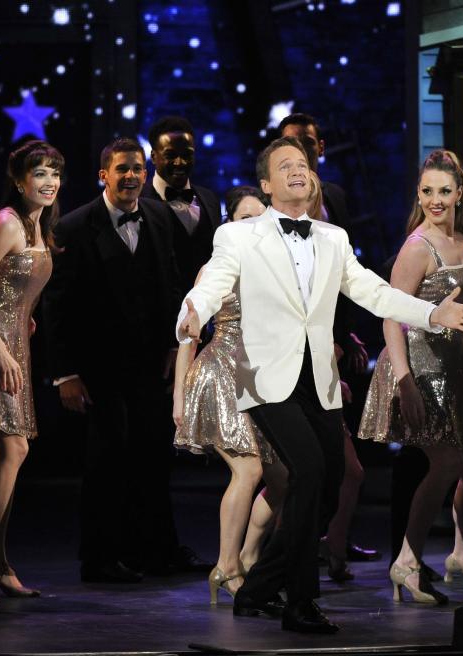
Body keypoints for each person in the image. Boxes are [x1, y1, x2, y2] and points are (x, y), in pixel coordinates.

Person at [177, 137, 463, 633]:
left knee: (329, 483)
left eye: (304, 164)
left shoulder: (332, 237)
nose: (298, 170)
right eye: (285, 166)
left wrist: (430, 313)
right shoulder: (239, 237)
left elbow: (373, 291)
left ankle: (255, 589)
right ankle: (300, 602)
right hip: (263, 377)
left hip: (317, 379)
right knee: (309, 470)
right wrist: (190, 314)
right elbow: (208, 289)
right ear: (268, 184)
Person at [42, 138, 192, 583]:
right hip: (97, 368)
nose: (131, 176)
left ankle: (151, 551)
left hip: (150, 363)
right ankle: (100, 558)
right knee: (107, 462)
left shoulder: (160, 216)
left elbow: (170, 282)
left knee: (151, 456)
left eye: (138, 169)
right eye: (122, 169)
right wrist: (65, 373)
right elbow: (57, 306)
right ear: (103, 175)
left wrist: (173, 346)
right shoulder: (73, 227)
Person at [359, 149, 463, 606]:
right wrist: (403, 381)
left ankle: (462, 554)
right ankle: (408, 561)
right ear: (419, 195)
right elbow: (391, 317)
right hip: (417, 367)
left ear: (460, 193)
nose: (436, 200)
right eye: (427, 191)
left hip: (452, 370)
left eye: (444, 191)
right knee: (448, 463)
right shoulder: (418, 248)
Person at [172, 186, 287, 605]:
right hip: (220, 372)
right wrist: (179, 398)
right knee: (249, 470)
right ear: (229, 225)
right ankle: (226, 565)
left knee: (284, 477)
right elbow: (188, 333)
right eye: (245, 219)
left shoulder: (277, 268)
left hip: (261, 379)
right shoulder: (218, 266)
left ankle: (250, 557)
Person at [280, 113, 378, 571]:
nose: (300, 152)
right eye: (290, 146)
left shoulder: (333, 199)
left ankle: (330, 545)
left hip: (327, 350)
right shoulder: (267, 213)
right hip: (288, 356)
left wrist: (344, 336)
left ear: (320, 149)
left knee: (340, 469)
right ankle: (280, 555)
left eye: (308, 144)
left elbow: (341, 279)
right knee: (296, 470)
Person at [0, 140, 61, 597]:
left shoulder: (40, 225)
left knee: (11, 453)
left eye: (54, 173)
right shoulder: (7, 223)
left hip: (14, 344)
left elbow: (21, 287)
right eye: (40, 173)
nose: (49, 182)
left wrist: (23, 317)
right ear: (19, 180)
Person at [141, 115, 221, 292]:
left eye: (187, 155)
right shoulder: (137, 202)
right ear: (154, 157)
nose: (180, 162)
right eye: (170, 155)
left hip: (206, 314)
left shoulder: (210, 200)